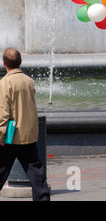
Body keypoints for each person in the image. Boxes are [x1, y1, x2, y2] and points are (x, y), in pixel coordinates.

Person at [0, 48, 50, 201]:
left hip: (10, 137)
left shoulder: (5, 82)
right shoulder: (28, 80)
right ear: (20, 62)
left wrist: (0, 135)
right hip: (28, 135)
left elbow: (3, 112)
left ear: (4, 63)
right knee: (37, 174)